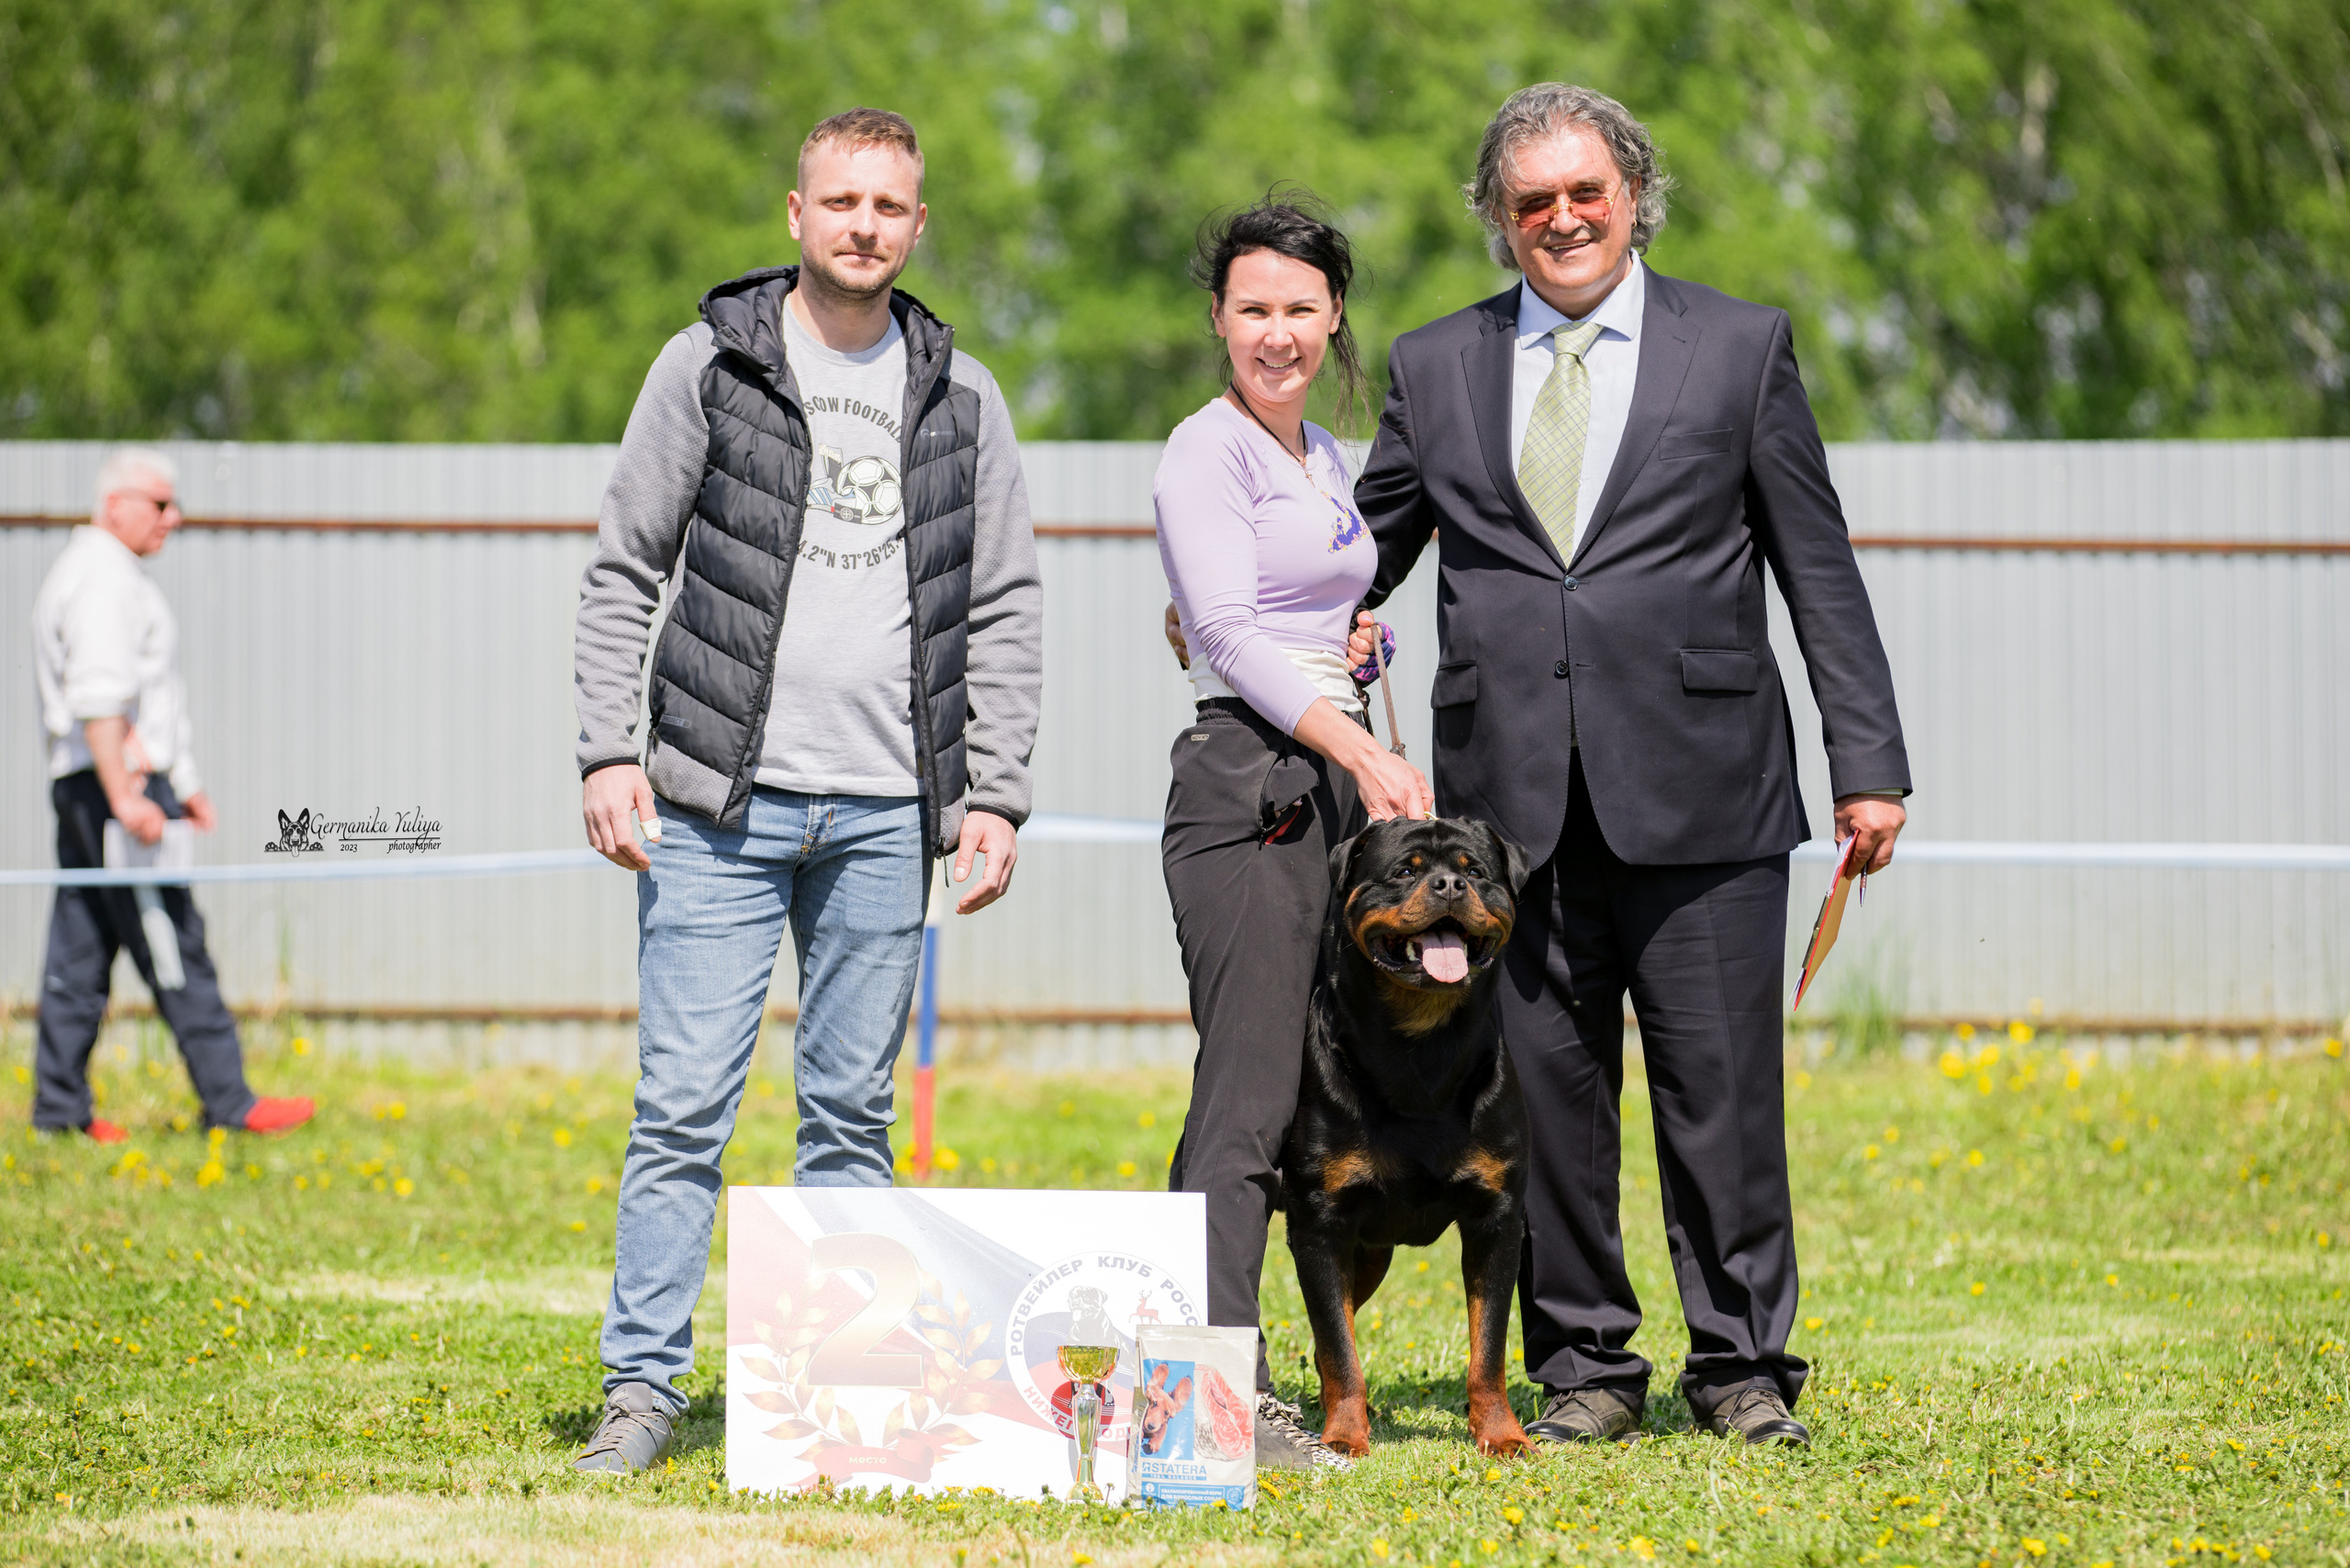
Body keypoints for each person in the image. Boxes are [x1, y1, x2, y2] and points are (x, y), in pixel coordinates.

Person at [1345, 84, 1911, 1447]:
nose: (1562, 218)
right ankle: (1585, 1365)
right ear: (1497, 217)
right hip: (1508, 820)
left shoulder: (1740, 349)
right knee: (1546, 1095)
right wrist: (1241, 612)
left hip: (1708, 785)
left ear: (1633, 195)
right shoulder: (1432, 367)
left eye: (1584, 191)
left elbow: (1815, 568)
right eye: (1530, 200)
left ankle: (1742, 1368)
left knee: (1722, 1095)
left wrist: (1868, 760)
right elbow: (1358, 555)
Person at [569, 106, 1043, 1475]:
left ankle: (837, 1405)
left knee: (849, 1113)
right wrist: (611, 751)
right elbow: (623, 570)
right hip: (718, 805)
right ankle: (643, 1395)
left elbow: (1004, 604)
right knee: (683, 1111)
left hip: (892, 814)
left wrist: (994, 792)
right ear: (796, 214)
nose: (863, 227)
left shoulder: (965, 396)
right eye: (841, 202)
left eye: (889, 207)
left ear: (918, 224)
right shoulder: (709, 367)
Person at [1154, 197, 1432, 1472]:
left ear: (1333, 320)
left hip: (1319, 778)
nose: (1278, 332)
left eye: (1301, 310)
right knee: (1248, 1098)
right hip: (1250, 787)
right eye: (1253, 308)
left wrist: (1354, 645)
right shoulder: (1201, 452)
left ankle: (1225, 1372)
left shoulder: (1324, 454)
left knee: (1315, 1097)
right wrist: (1365, 744)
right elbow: (1219, 631)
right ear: (1220, 319)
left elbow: (1304, 609)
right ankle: (1210, 1403)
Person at [30, 448, 315, 1143]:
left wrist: (184, 785)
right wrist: (130, 797)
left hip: (87, 785)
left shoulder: (93, 571)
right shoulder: (104, 579)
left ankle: (59, 1110)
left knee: (81, 945)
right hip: (114, 788)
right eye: (160, 504)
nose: (173, 517)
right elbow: (100, 698)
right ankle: (230, 1101)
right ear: (115, 504)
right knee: (174, 940)